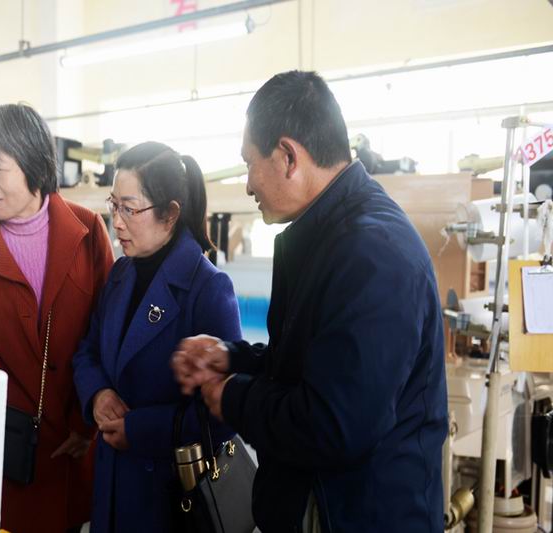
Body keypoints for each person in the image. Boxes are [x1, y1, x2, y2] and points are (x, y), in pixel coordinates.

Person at [172, 71, 448, 532]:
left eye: (249, 164)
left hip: (357, 516)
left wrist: (232, 397)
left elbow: (334, 423)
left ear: (287, 156)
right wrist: (232, 357)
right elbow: (313, 365)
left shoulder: (373, 255)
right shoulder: (330, 236)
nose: (247, 185)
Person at [0, 103, 114, 533]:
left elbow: (106, 334)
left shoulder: (88, 231)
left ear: (33, 162)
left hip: (77, 441)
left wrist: (86, 422)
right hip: (6, 450)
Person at [72, 142, 242, 533]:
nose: (116, 222)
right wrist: (98, 394)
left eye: (129, 209)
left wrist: (139, 429)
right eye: (114, 205)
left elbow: (225, 411)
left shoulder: (207, 289)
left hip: (168, 496)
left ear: (170, 213)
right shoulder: (120, 275)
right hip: (112, 487)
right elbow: (87, 351)